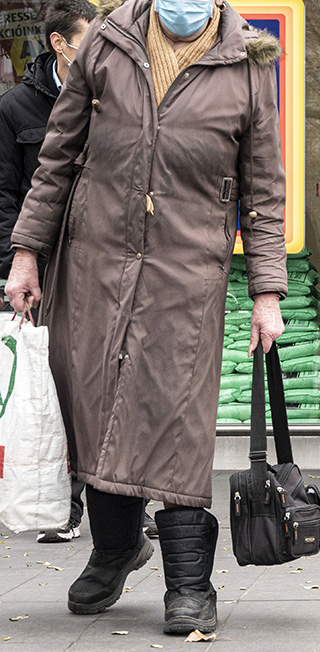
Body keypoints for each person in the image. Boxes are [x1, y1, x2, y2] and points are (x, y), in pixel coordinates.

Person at [4, 0, 287, 636]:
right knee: (98, 404)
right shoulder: (106, 42)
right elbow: (56, 159)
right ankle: (115, 550)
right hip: (95, 261)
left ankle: (190, 583)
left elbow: (265, 192)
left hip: (188, 271)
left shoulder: (248, 63)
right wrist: (26, 255)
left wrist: (268, 291)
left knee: (177, 416)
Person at [0, 0, 96, 544]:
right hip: (46, 268)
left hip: (102, 261)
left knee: (106, 381)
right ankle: (66, 503)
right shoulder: (16, 108)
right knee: (56, 383)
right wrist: (17, 262)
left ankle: (124, 504)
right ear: (60, 45)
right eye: (88, 41)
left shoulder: (112, 98)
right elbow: (4, 194)